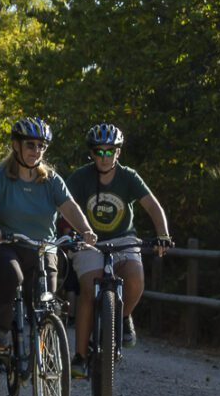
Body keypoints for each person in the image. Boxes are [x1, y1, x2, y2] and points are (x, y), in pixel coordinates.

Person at [0, 117, 96, 364]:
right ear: (16, 146)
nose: (36, 151)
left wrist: (86, 230)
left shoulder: (50, 180)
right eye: (31, 145)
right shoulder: (0, 175)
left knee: (45, 299)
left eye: (41, 146)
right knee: (12, 275)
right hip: (5, 245)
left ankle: (45, 348)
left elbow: (69, 207)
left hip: (42, 248)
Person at [65, 123, 171, 373]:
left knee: (134, 277)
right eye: (99, 152)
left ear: (118, 153)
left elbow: (153, 206)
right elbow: (63, 206)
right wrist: (67, 233)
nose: (105, 157)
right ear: (92, 154)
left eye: (110, 151)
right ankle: (80, 356)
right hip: (89, 241)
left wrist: (163, 234)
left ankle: (123, 317)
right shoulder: (80, 177)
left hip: (124, 239)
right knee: (89, 289)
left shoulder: (128, 177)